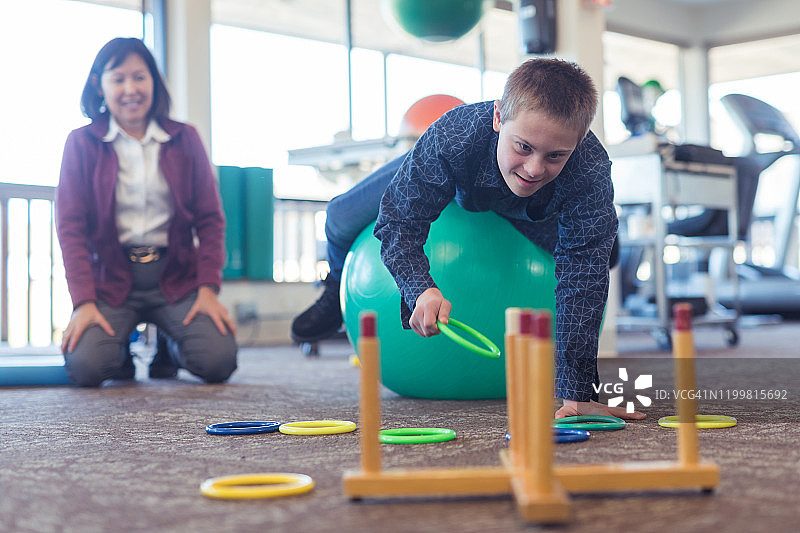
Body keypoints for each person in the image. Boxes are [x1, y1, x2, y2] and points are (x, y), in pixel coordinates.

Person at [292, 57, 641, 420]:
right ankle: (334, 291)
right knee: (339, 215)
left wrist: (577, 391)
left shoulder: (590, 169)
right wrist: (419, 288)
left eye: (555, 155)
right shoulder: (453, 136)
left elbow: (582, 276)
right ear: (497, 118)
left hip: (534, 210)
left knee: (600, 253)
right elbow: (399, 220)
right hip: (459, 180)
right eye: (523, 146)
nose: (535, 167)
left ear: (579, 141)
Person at [56, 37, 238, 387]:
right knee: (87, 368)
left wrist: (207, 289)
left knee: (218, 362)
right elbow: (71, 229)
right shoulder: (80, 143)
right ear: (99, 84)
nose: (130, 89)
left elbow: (211, 220)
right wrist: (83, 302)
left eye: (139, 77)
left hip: (176, 277)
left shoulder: (186, 138)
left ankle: (171, 343)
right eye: (118, 78)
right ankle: (119, 347)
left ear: (154, 81)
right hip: (110, 280)